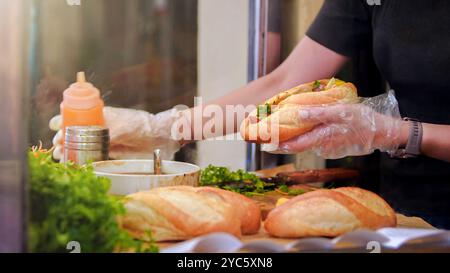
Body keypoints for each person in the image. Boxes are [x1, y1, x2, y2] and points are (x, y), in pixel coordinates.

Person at [51, 0, 450, 228]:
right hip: (404, 219)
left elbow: (398, 133)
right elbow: (286, 80)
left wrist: (399, 133)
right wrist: (164, 127)